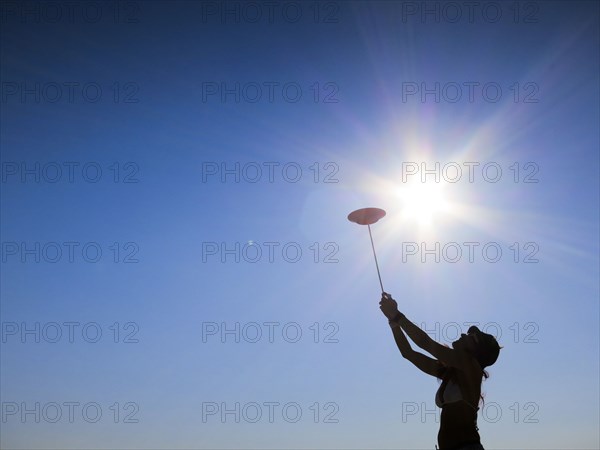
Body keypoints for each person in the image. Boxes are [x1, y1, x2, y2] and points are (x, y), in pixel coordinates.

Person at [379, 292, 500, 450]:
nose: (464, 334)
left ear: (477, 352)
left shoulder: (471, 367)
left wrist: (397, 315)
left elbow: (425, 343)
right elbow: (408, 353)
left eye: (472, 337)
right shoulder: (451, 372)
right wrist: (393, 322)